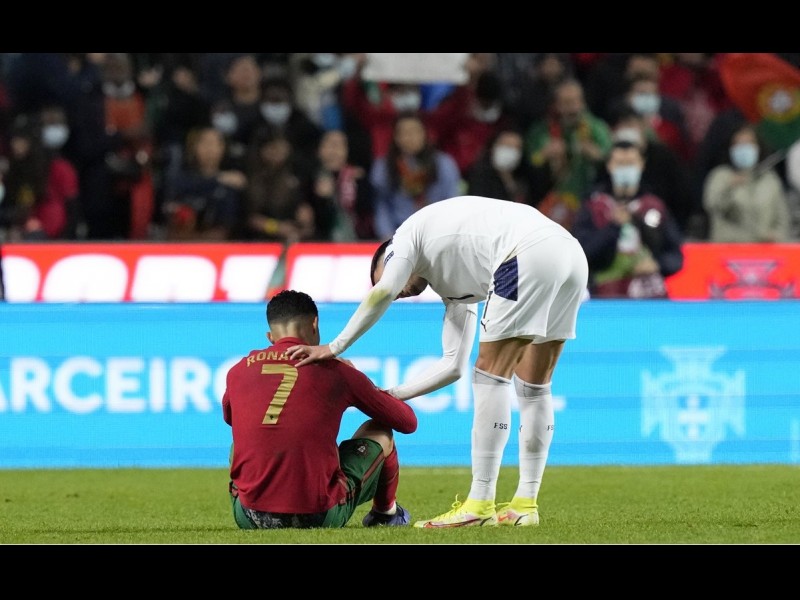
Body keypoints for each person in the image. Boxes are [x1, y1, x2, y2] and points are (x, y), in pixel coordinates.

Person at [286, 195, 589, 528]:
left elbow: (383, 291)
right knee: (534, 387)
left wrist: (334, 346)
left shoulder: (403, 239)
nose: (395, 292)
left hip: (525, 253)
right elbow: (452, 366)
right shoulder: (456, 280)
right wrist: (391, 395)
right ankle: (525, 505)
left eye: (384, 277)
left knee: (489, 376)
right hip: (569, 254)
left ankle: (479, 503)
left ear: (389, 257)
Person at [223, 289, 418, 529]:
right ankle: (386, 514)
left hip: (248, 516)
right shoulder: (335, 371)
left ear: (270, 336)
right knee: (380, 430)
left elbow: (231, 417)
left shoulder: (238, 370)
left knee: (242, 440)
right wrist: (360, 380)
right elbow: (407, 422)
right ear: (315, 324)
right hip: (320, 514)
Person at [572, 140, 685, 299]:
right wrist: (613, 227)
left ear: (641, 165)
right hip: (606, 296)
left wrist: (657, 265)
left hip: (650, 295)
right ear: (610, 165)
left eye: (631, 163)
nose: (625, 169)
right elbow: (581, 254)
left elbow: (675, 255)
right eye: (620, 164)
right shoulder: (594, 206)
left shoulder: (653, 206)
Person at [702, 123, 792, 243]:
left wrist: (776, 236)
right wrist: (729, 187)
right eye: (738, 144)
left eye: (749, 143)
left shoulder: (770, 179)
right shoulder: (720, 176)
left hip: (765, 248)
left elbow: (782, 218)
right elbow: (711, 206)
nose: (744, 148)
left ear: (758, 147)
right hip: (729, 247)